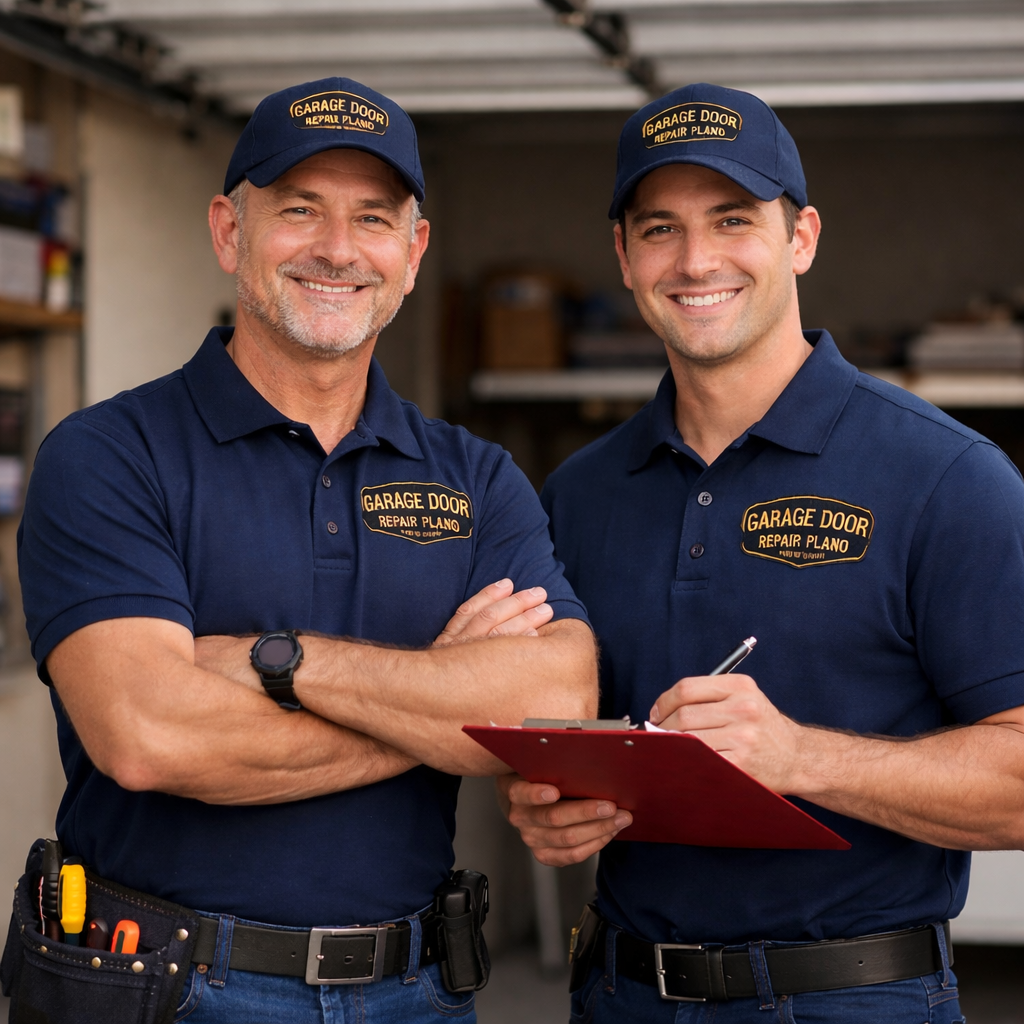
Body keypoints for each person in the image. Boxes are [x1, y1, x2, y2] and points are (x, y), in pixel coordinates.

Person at [13, 77, 596, 1024]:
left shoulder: (475, 479)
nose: (337, 248)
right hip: (165, 987)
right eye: (299, 210)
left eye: (373, 218)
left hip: (415, 990)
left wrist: (277, 663)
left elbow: (555, 702)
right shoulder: (110, 456)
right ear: (228, 232)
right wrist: (442, 703)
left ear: (412, 255)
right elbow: (148, 735)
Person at [499, 82, 1024, 1023]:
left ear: (801, 238)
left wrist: (799, 757)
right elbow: (572, 733)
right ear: (623, 256)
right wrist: (551, 805)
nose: (695, 260)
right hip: (621, 995)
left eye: (733, 219)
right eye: (659, 228)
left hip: (853, 1002)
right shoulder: (579, 494)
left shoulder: (948, 479)